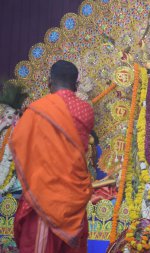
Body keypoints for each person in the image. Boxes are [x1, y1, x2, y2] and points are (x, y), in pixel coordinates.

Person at [10, 60, 94, 252]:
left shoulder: (36, 110)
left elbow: (18, 144)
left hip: (43, 197)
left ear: (49, 82)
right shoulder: (86, 110)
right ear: (77, 85)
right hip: (72, 198)